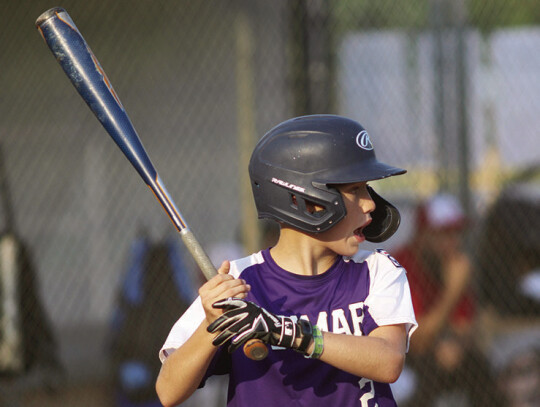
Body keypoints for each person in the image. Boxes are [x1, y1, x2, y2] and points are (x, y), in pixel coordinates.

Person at [156, 115, 417, 406]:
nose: (369, 203)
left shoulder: (376, 271)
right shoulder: (241, 280)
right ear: (302, 199)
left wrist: (286, 331)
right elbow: (168, 392)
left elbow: (388, 361)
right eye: (354, 189)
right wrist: (212, 324)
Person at [392, 193, 500, 406]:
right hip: (401, 359)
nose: (454, 242)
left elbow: (467, 327)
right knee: (425, 371)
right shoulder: (399, 267)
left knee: (479, 366)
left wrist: (456, 343)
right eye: (444, 234)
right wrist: (453, 292)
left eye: (457, 233)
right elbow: (417, 342)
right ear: (423, 235)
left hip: (441, 351)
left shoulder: (451, 264)